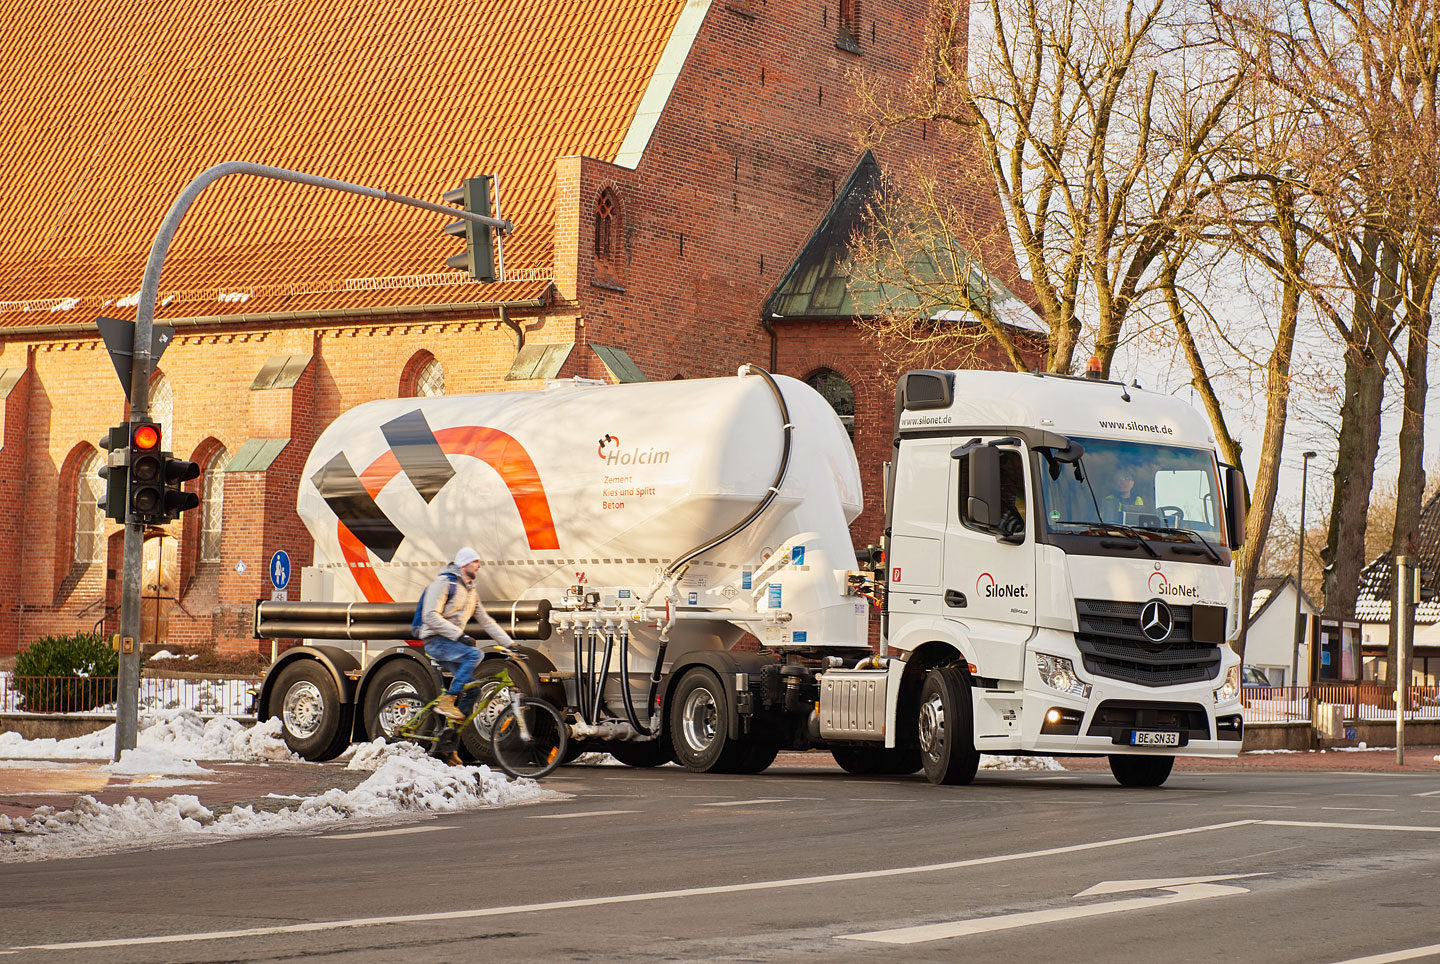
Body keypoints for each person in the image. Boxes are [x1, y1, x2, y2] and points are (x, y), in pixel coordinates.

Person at [417, 547, 518, 722]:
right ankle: (448, 700)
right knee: (475, 654)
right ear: (464, 564)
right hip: (436, 641)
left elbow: (486, 621)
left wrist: (510, 644)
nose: (478, 566)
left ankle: (449, 738)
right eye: (475, 562)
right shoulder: (444, 583)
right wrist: (459, 636)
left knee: (473, 690)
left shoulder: (471, 592)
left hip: (451, 644)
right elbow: (429, 615)